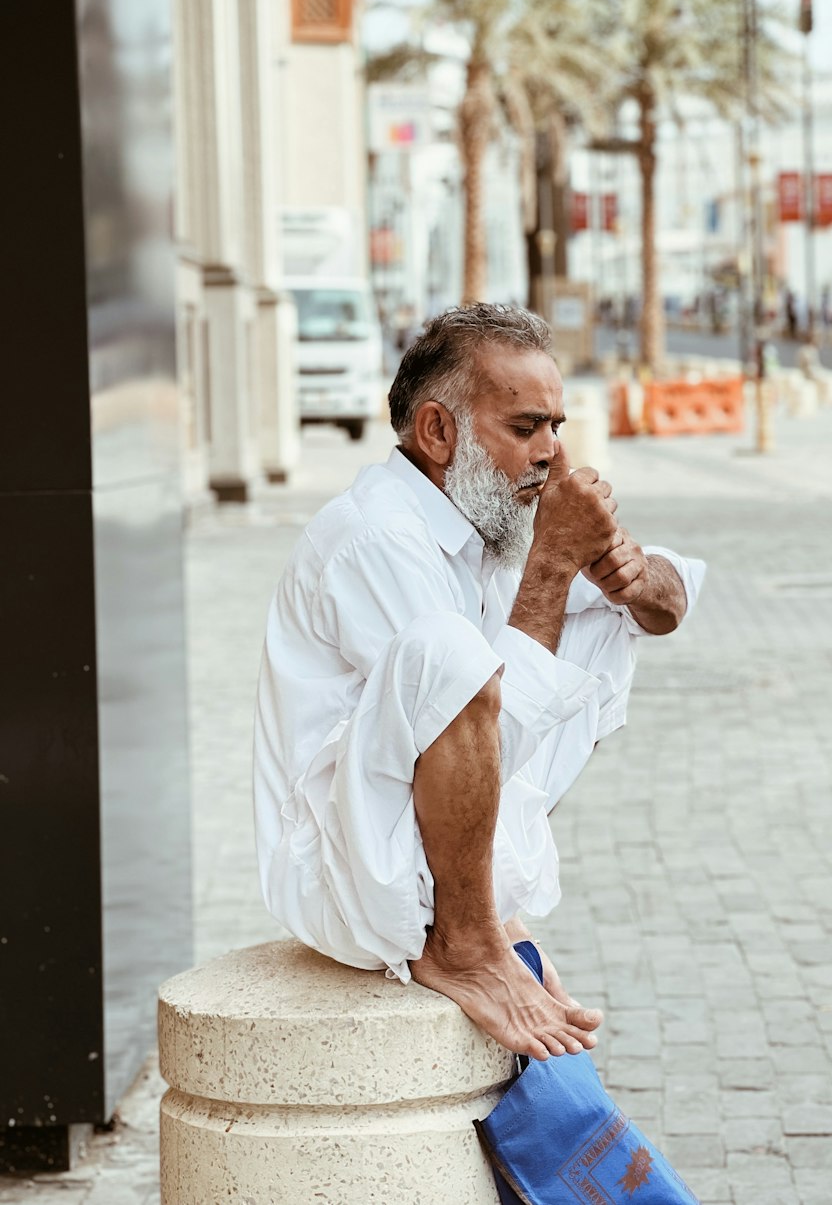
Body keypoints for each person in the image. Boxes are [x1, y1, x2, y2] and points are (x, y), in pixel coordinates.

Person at [253, 304, 705, 1061]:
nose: (550, 457)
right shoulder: (376, 537)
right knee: (450, 650)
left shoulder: (486, 516)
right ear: (438, 432)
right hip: (348, 875)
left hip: (429, 858)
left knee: (599, 618)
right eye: (525, 428)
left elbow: (672, 603)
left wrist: (625, 566)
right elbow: (478, 707)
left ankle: (484, 910)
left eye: (557, 428)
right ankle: (465, 940)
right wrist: (556, 562)